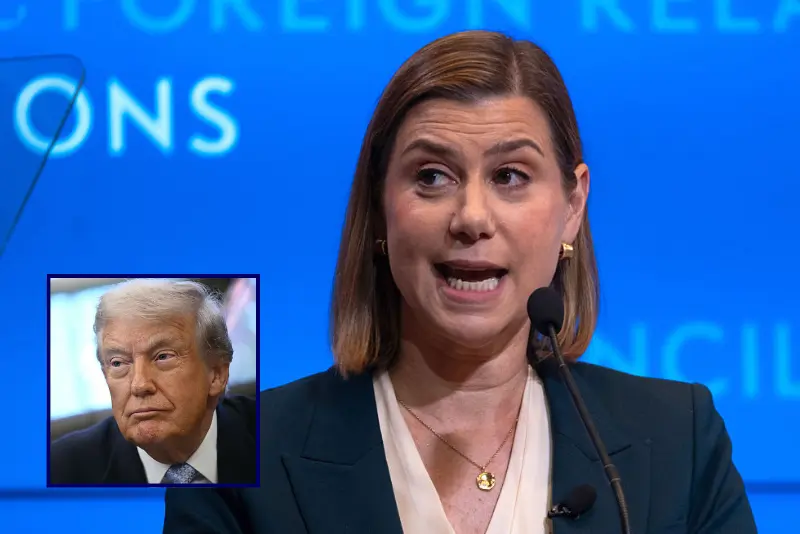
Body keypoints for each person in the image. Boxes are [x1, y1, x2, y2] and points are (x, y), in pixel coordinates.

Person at [163, 30, 757, 533]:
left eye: (510, 175)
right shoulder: (228, 459)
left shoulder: (680, 441)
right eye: (432, 176)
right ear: (379, 206)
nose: (472, 217)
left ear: (572, 205)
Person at [50, 279, 256, 485]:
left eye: (163, 357)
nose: (139, 385)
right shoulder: (60, 471)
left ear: (217, 374)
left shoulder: (276, 434)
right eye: (118, 362)